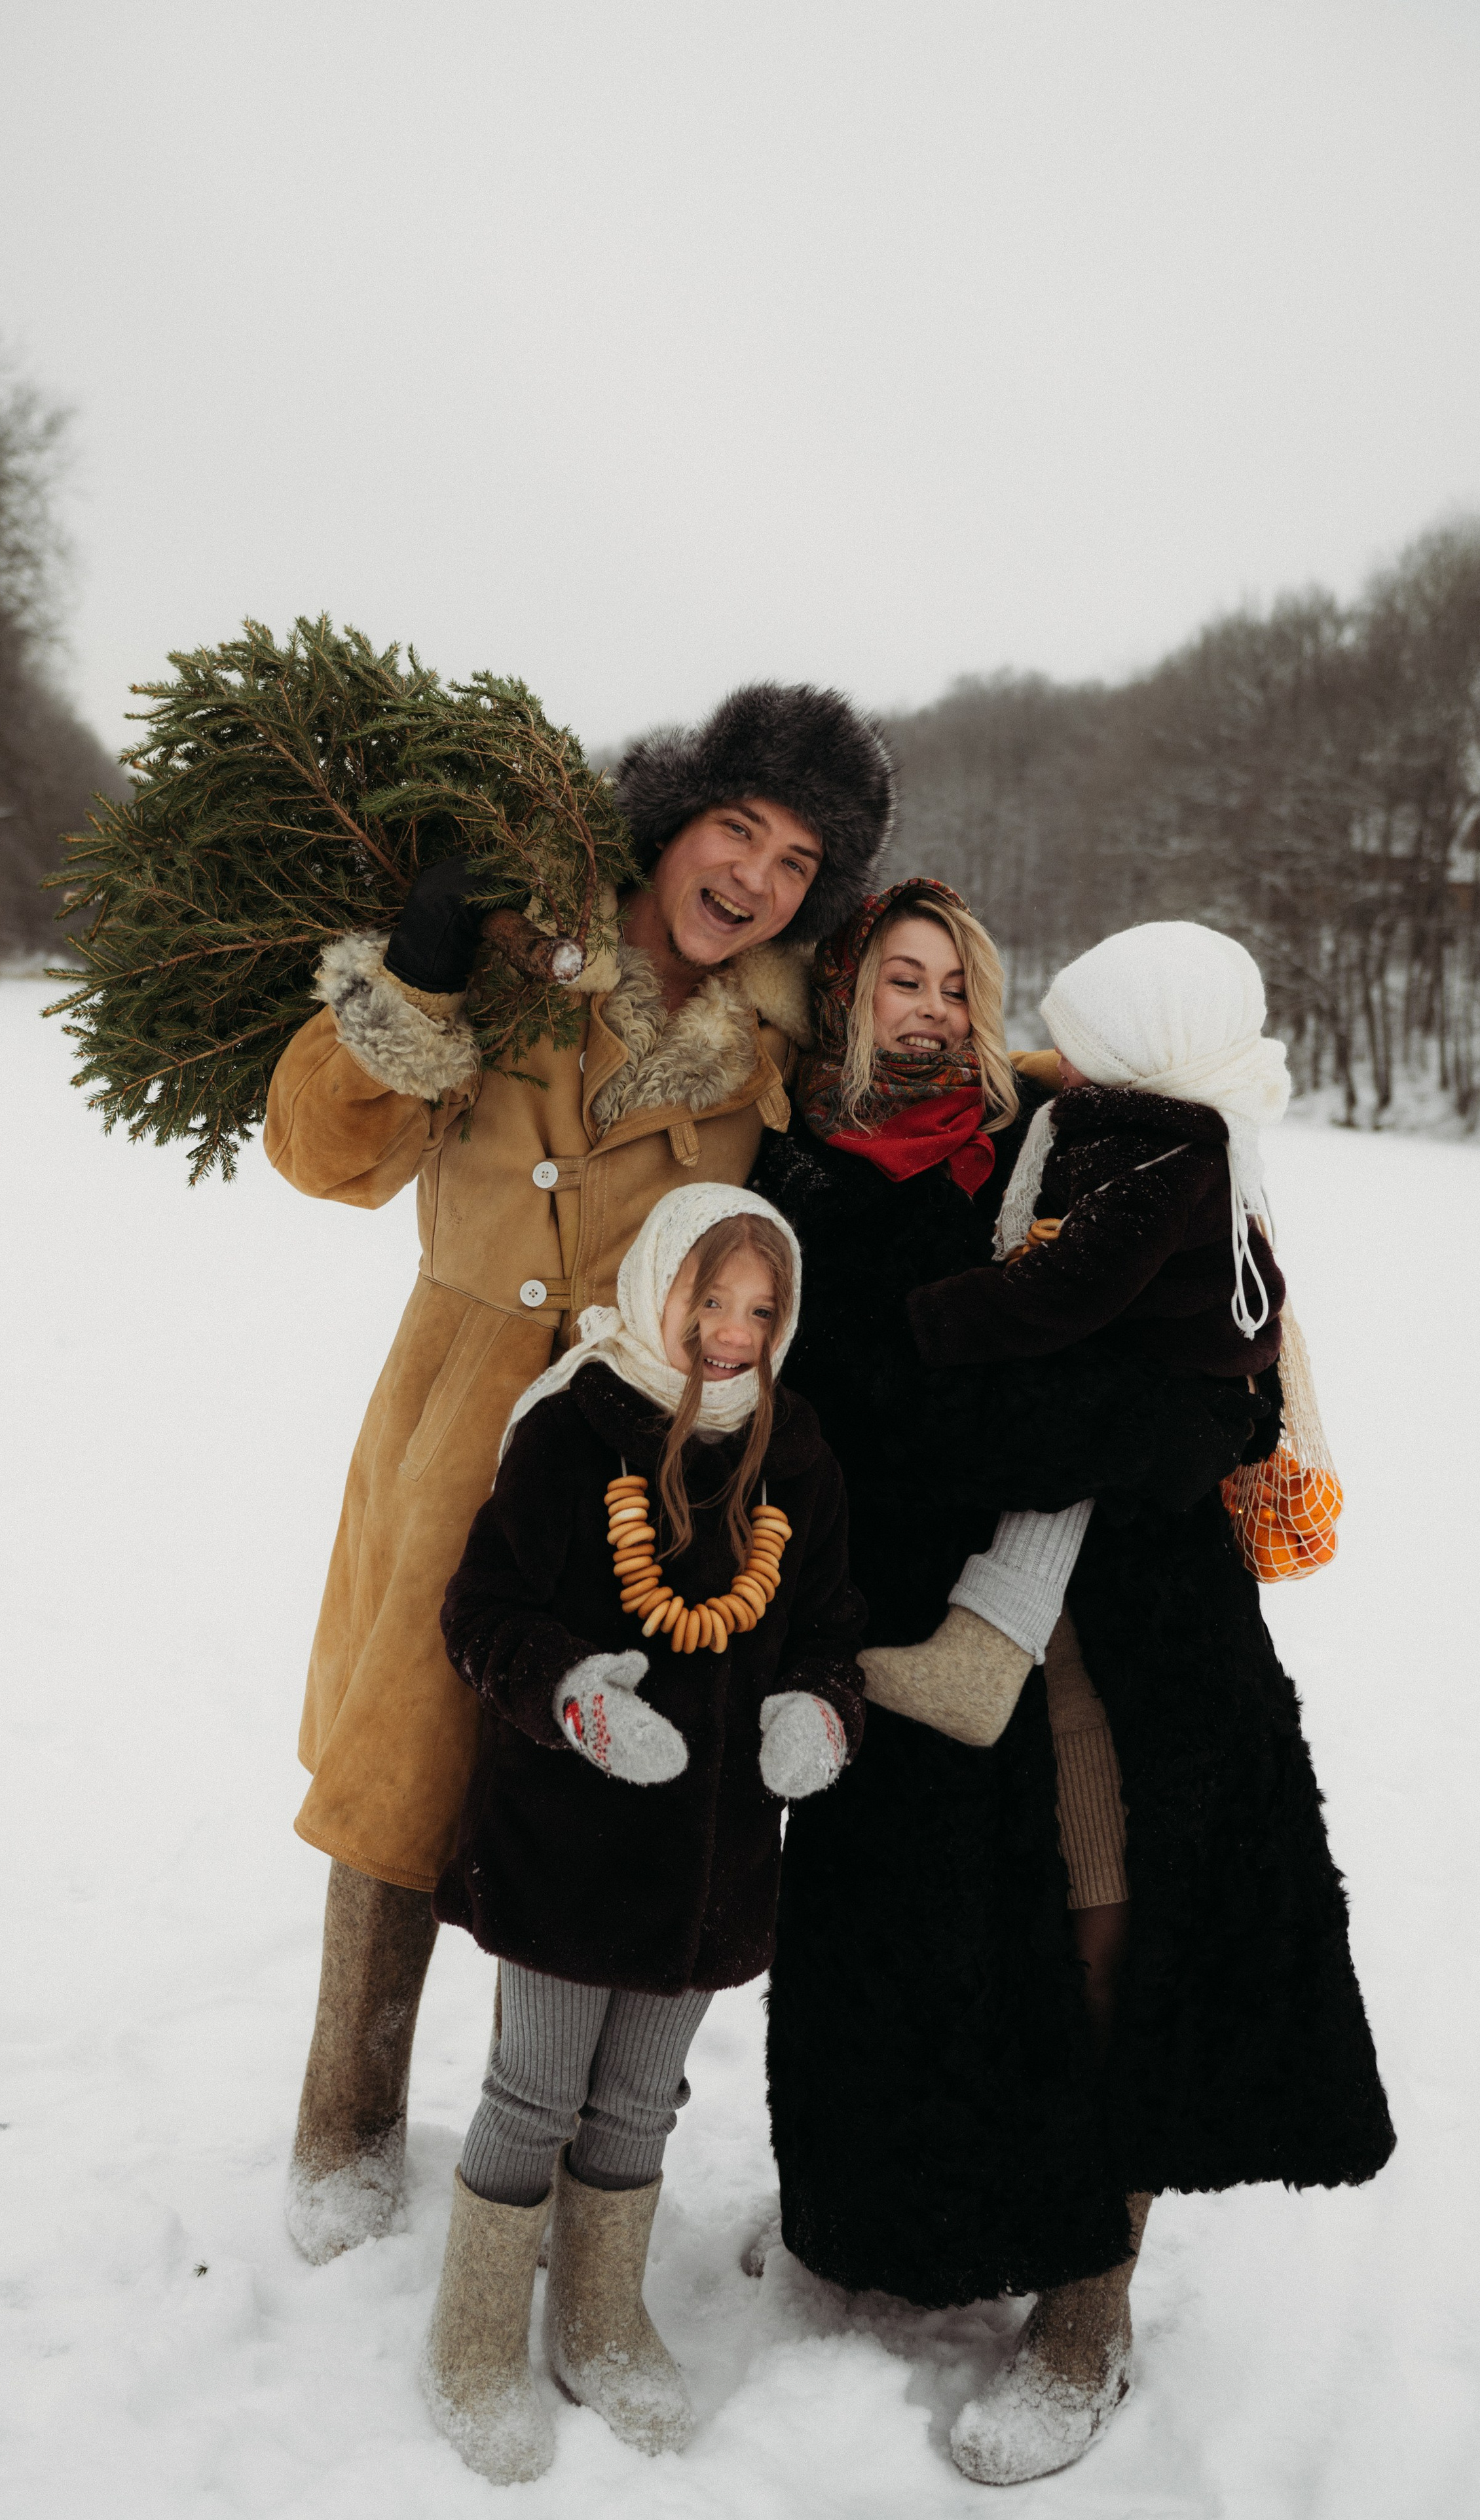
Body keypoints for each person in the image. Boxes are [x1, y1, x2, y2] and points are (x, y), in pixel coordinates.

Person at [760, 914, 1394, 2489]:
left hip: (1134, 1617)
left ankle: (1089, 2301)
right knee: (927, 1933)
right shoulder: (791, 1171)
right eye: (894, 978)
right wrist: (1028, 1421)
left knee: (1122, 1912)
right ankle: (914, 2214)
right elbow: (828, 1392)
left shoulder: (1067, 1129)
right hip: (906, 1601)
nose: (928, 1007)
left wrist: (1057, 1426)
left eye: (953, 978)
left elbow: (1212, 1383)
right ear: (839, 998)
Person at [262, 684, 893, 2262]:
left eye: (797, 859)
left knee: (612, 1759)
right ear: (675, 815)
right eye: (735, 827)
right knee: (402, 1766)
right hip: (466, 1405)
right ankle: (343, 2114)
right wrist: (410, 973)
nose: (753, 875)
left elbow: (936, 1052)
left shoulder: (779, 1034)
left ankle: (553, 2133)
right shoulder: (519, 955)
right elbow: (321, 1159)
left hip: (655, 1449)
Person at [419, 1184, 864, 2483]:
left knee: (635, 2101)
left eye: (757, 1309)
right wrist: (568, 1697)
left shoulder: (796, 1448)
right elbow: (481, 1607)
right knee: (534, 2089)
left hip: (716, 1853)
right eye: (706, 1299)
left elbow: (829, 1622)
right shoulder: (575, 1427)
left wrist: (818, 1714)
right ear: (655, 1284)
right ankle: (474, 2327)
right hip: (567, 1843)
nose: (728, 1332)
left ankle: (602, 2315)